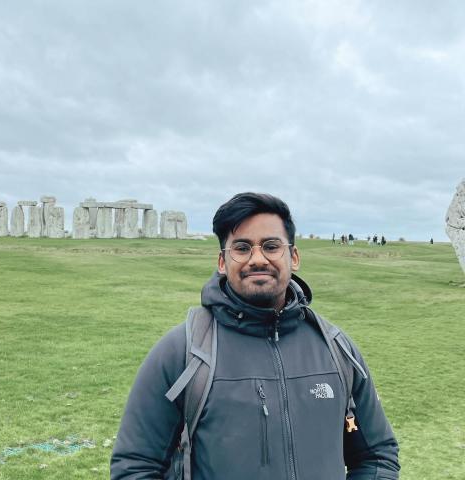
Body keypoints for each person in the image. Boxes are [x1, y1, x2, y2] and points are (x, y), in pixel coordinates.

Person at [111, 192, 399, 480]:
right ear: (222, 262)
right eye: (242, 247)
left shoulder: (336, 349)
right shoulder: (182, 353)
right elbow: (135, 467)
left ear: (294, 256)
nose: (257, 259)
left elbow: (376, 456)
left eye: (271, 246)